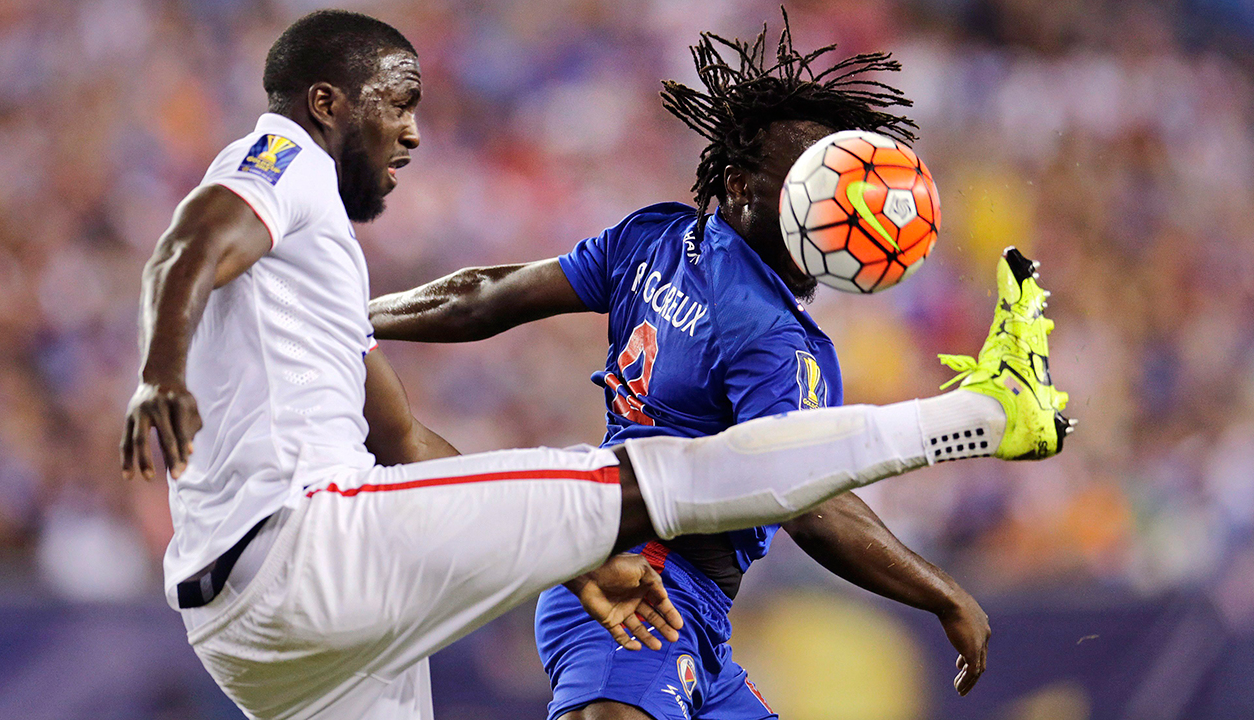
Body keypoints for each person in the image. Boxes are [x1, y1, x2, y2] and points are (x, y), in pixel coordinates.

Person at [120, 9, 1072, 720]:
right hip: (357, 556)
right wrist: (160, 371)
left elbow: (425, 402)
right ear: (329, 102)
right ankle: (985, 414)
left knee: (635, 486)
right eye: (399, 105)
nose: (412, 131)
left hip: (250, 634)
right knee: (649, 476)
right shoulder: (279, 156)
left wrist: (344, 320)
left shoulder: (656, 237)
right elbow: (803, 494)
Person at [368, 18, 992, 720]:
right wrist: (942, 590)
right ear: (740, 183)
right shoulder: (768, 334)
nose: (834, 201)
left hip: (681, 604)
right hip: (645, 591)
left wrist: (358, 315)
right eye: (808, 183)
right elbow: (809, 504)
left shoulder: (655, 238)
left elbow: (481, 296)